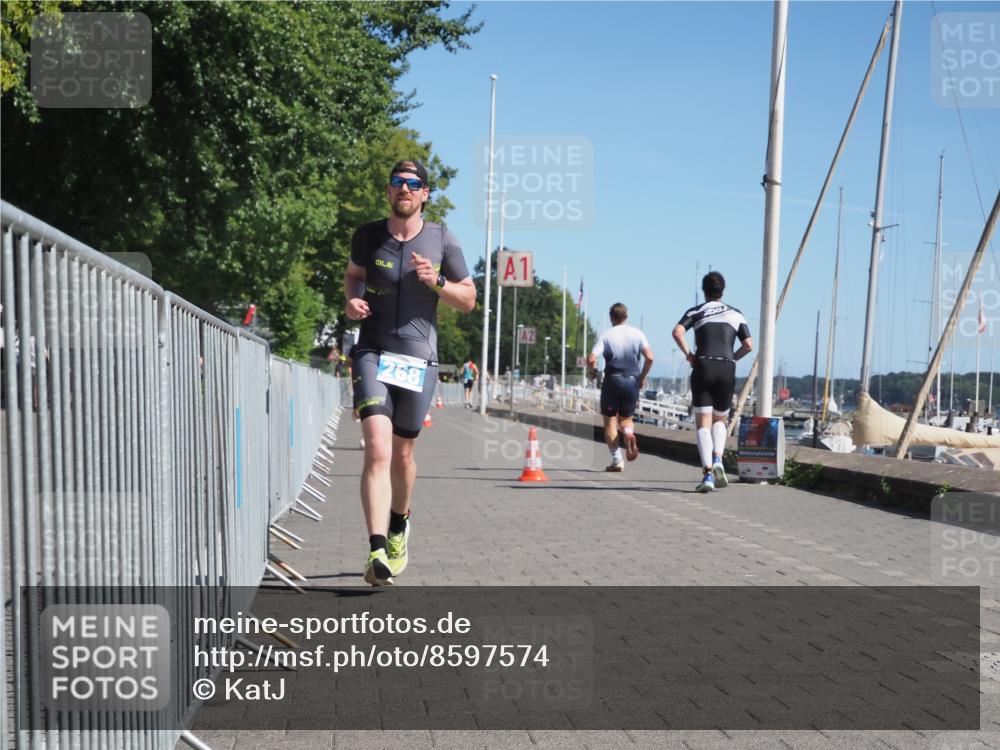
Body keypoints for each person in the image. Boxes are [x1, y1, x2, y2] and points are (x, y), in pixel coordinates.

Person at [344, 159, 476, 585]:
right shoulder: (368, 236)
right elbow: (353, 276)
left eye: (413, 183)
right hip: (371, 350)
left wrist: (437, 282)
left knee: (402, 454)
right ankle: (377, 549)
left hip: (416, 359)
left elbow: (469, 300)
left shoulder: (443, 240)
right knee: (377, 447)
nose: (404, 188)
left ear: (424, 194)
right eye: (398, 182)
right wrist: (352, 301)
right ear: (389, 191)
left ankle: (400, 523)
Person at [672, 271, 753, 492]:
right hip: (726, 366)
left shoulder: (696, 311)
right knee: (720, 420)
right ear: (723, 290)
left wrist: (689, 355)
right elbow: (748, 345)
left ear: (704, 290)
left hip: (703, 365)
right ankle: (718, 460)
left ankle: (707, 474)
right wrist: (732, 358)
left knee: (703, 422)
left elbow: (677, 332)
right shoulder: (736, 314)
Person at [587, 303, 654, 472]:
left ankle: (617, 460)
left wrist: (592, 372)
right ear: (626, 316)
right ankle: (629, 433)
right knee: (626, 418)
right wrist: (642, 377)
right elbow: (650, 358)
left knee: (610, 421)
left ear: (611, 317)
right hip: (632, 380)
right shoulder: (638, 334)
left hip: (613, 380)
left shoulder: (607, 335)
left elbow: (591, 358)